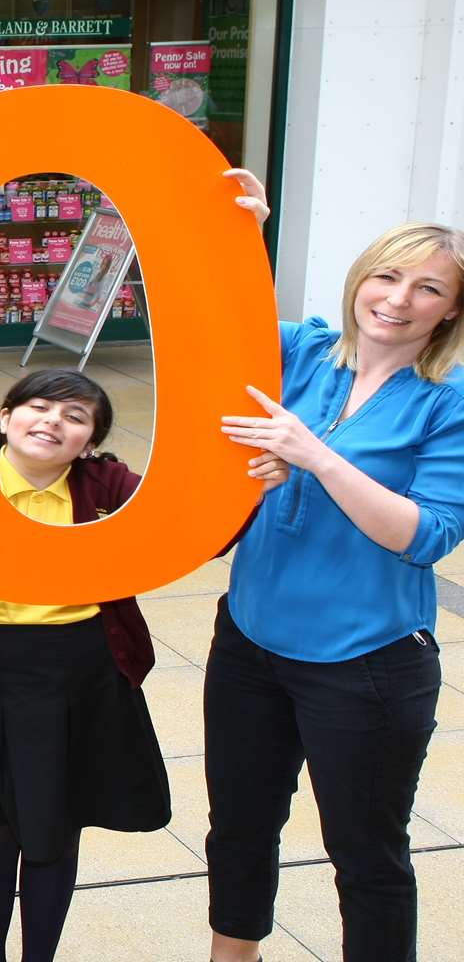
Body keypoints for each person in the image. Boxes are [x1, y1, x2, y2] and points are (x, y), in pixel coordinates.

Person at [0, 371, 288, 962]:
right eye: (37, 406)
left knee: (56, 827)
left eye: (74, 418)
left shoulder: (103, 482)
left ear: (89, 442)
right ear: (7, 415)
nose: (51, 422)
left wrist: (250, 489)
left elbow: (192, 530)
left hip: (83, 671)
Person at [206, 177, 464, 962]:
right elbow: (220, 324)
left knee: (366, 856)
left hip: (366, 664)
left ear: (450, 311)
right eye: (387, 275)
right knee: (241, 830)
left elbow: (425, 535)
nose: (398, 298)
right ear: (361, 280)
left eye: (428, 288)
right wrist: (241, 232)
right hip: (251, 640)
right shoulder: (305, 349)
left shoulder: (445, 401)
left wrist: (313, 456)